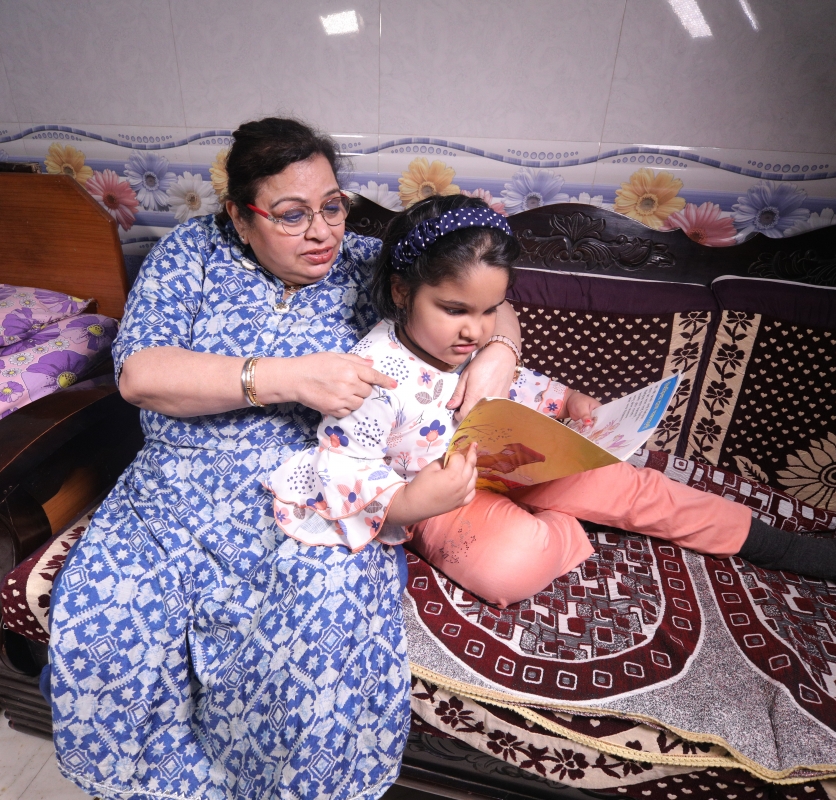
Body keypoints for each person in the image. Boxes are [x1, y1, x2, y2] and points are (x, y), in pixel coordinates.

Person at [45, 119, 525, 800]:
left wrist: (500, 353)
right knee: (106, 620)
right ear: (241, 218)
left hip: (310, 491)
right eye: (293, 214)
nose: (323, 232)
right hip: (174, 489)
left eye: (333, 205)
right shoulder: (191, 255)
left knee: (319, 628)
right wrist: (285, 377)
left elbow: (485, 295)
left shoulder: (367, 261)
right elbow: (140, 374)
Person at [266, 195, 836, 608]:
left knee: (633, 489)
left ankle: (778, 544)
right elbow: (343, 464)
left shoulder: (480, 346)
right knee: (506, 568)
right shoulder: (372, 374)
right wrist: (409, 503)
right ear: (401, 291)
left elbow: (517, 389)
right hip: (440, 499)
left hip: (522, 459)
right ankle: (568, 532)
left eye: (488, 311)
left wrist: (571, 400)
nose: (473, 331)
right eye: (453, 310)